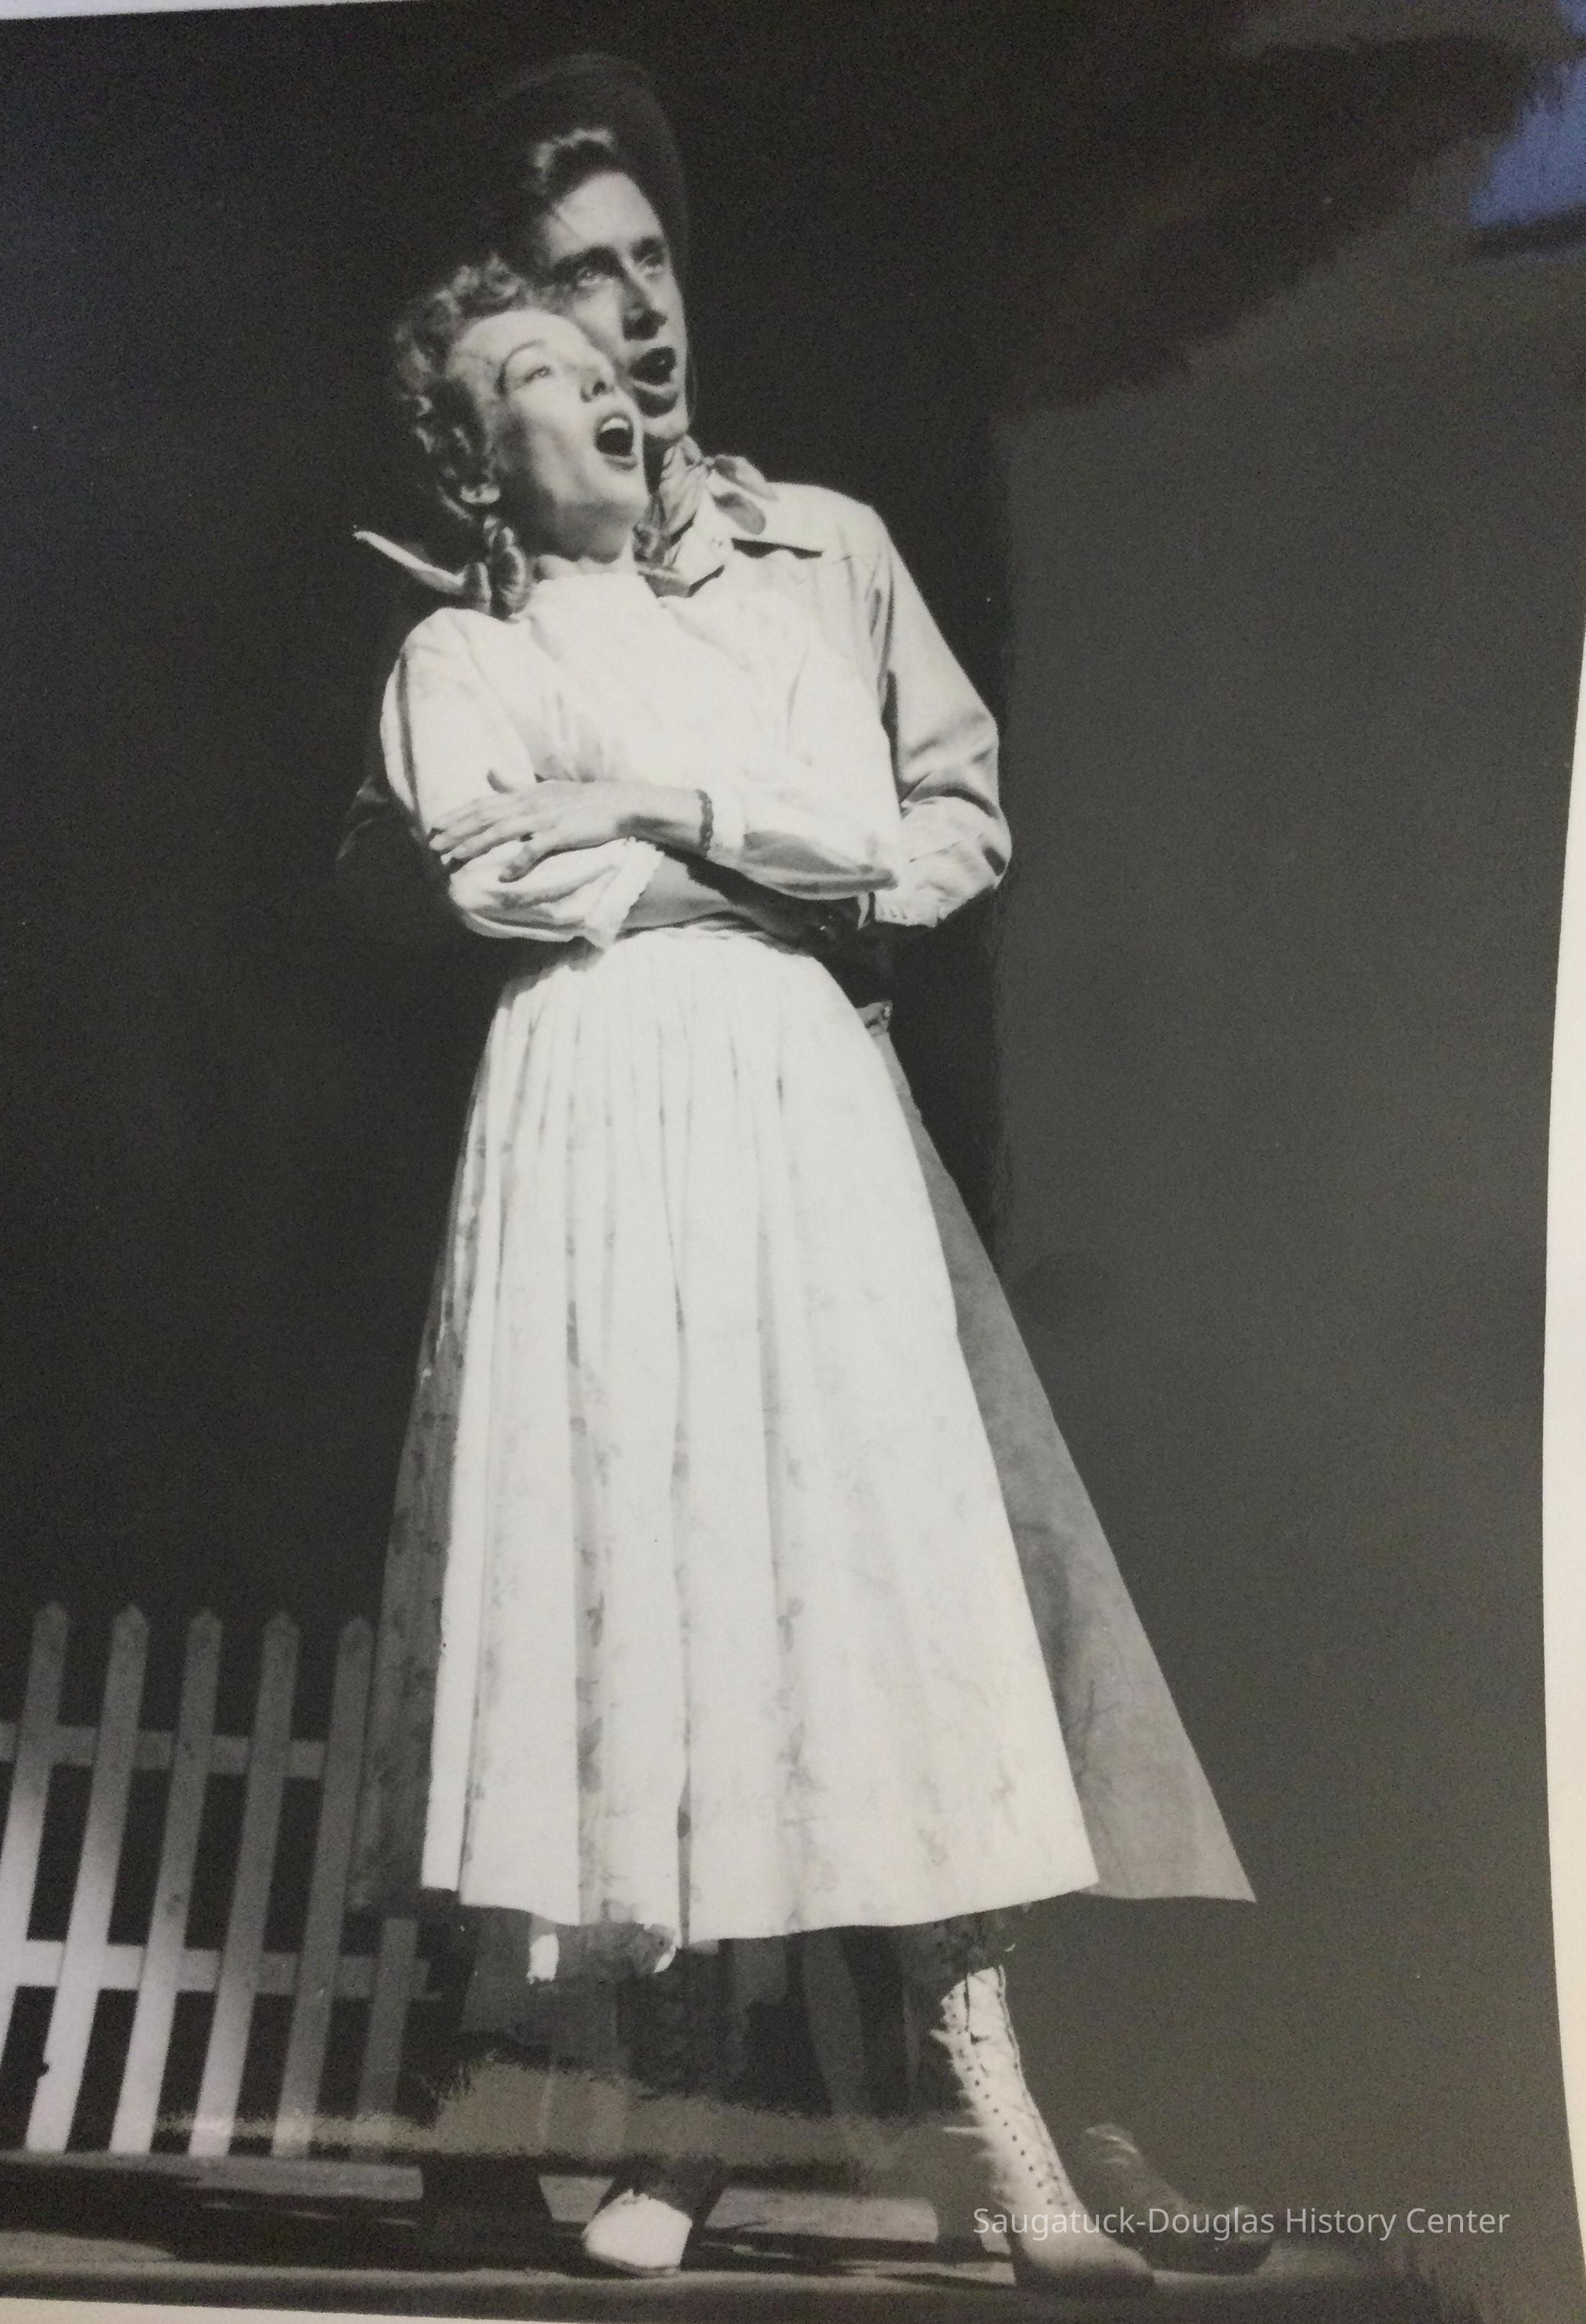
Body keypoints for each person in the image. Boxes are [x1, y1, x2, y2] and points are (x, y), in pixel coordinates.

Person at [343, 54, 1266, 2284]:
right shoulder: (473, 635)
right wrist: (664, 852)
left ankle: (1013, 2130)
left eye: (649, 266)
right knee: (660, 1600)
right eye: (575, 294)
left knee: (893, 1606)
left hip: (816, 1128)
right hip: (608, 1147)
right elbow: (451, 860)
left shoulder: (815, 554)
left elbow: (918, 821)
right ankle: (687, 2120)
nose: (633, 323)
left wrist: (709, 840)